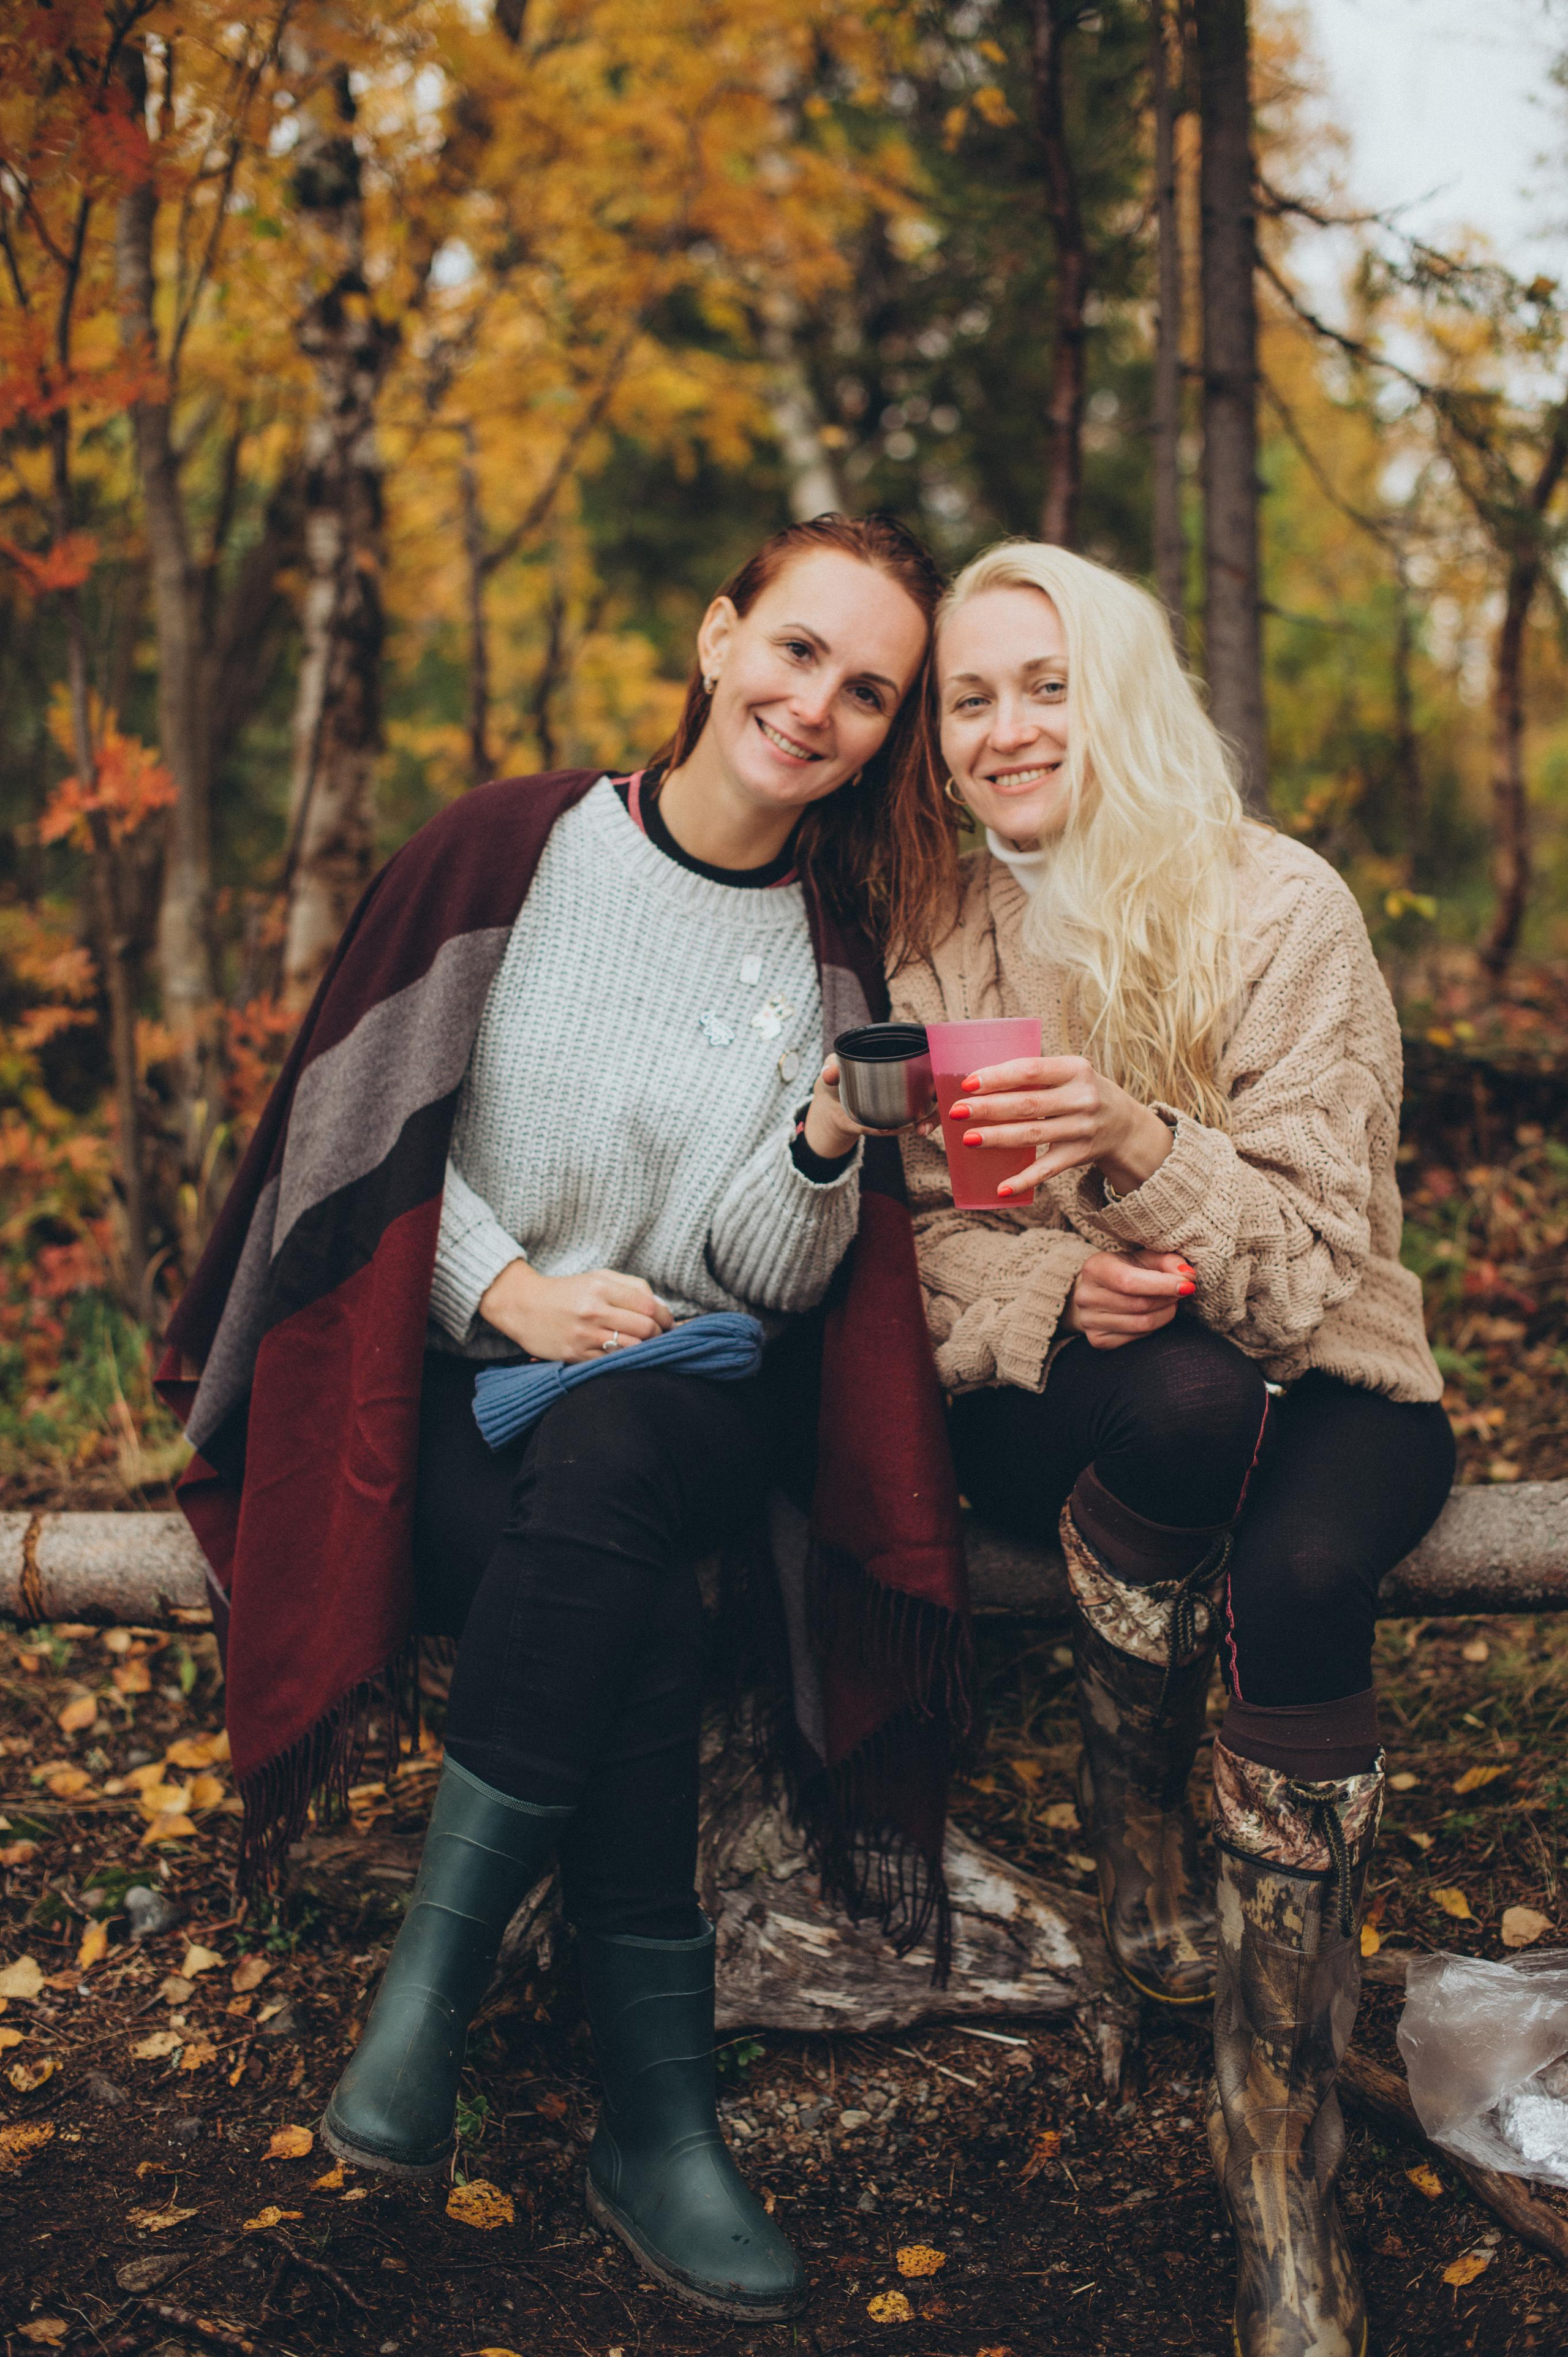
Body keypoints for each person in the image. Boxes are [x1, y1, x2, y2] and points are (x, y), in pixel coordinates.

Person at [157, 515, 969, 2321]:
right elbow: (354, 1137)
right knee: (623, 1588)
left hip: (690, 1403)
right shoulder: (505, 851)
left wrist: (827, 1142)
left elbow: (775, 1281)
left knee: (623, 1455)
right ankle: (657, 2119)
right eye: (794, 650)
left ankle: (419, 2016)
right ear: (714, 635)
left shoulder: (836, 953)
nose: (815, 704)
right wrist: (503, 1291)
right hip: (456, 1399)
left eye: (866, 691)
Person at [888, 539, 1453, 2357]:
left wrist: (1141, 1145)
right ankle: (1133, 1813)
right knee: (1185, 1403)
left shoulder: (1282, 909)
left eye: (1043, 683)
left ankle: (1275, 2163)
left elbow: (1315, 1266)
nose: (1004, 726)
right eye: (969, 696)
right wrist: (1067, 1282)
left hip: (1330, 1365)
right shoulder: (942, 937)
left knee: (1297, 1579)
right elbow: (923, 1234)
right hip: (1100, 1391)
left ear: (1118, 692)